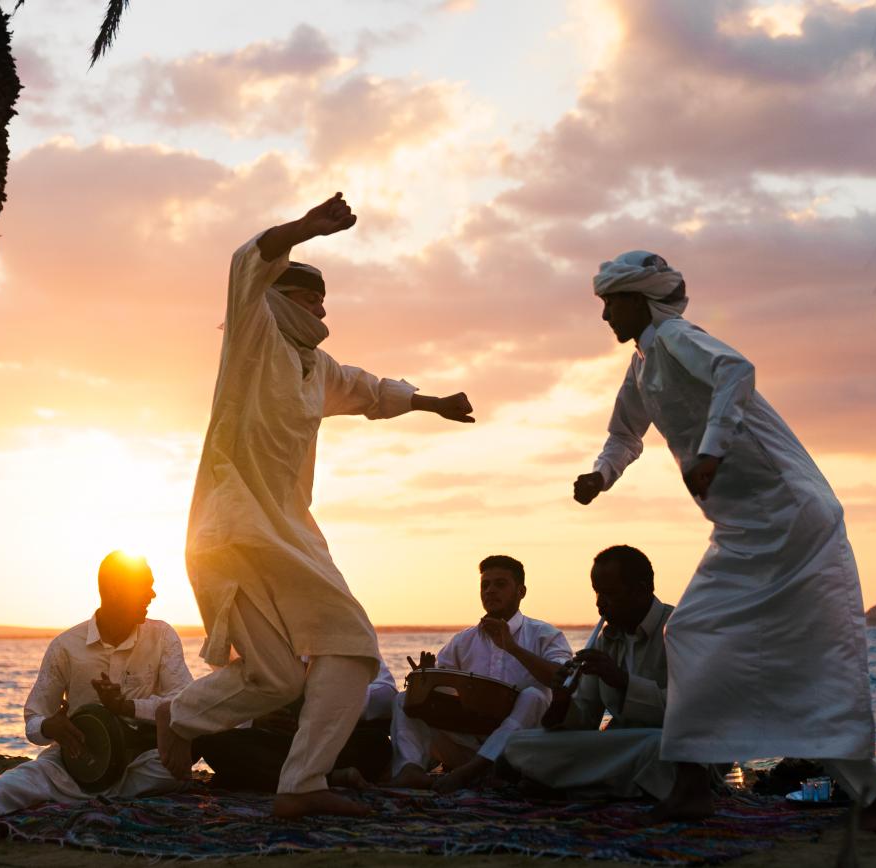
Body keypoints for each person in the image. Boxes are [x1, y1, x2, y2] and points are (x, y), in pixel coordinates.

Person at [158, 193, 476, 819]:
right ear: (281, 297)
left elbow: (371, 390)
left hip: (286, 532)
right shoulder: (254, 336)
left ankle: (179, 714)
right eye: (313, 297)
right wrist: (305, 229)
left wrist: (435, 403)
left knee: (278, 678)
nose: (324, 309)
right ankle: (302, 785)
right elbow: (249, 260)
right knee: (353, 642)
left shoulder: (317, 367)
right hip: (233, 526)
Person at [571, 251, 876, 832]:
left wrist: (712, 450)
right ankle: (695, 784)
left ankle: (867, 796)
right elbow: (624, 433)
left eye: (611, 303)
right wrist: (601, 476)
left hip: (794, 518)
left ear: (640, 301)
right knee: (695, 632)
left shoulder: (674, 336)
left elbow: (736, 371)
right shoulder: (644, 363)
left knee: (808, 653)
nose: (605, 316)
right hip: (744, 530)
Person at [0, 552, 192, 818]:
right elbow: (33, 718)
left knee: (169, 767)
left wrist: (128, 706)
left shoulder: (162, 636)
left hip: (143, 755)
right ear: (114, 590)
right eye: (145, 586)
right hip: (82, 758)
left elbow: (184, 700)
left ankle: (81, 792)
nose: (152, 595)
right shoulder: (65, 647)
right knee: (41, 771)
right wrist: (49, 726)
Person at [502, 545, 683, 799]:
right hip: (622, 747)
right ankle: (601, 786)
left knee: (656, 748)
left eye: (609, 594)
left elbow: (690, 714)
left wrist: (622, 681)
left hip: (670, 745)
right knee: (520, 743)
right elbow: (588, 720)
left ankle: (579, 785)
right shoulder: (606, 639)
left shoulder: (679, 631)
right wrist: (562, 700)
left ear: (641, 590)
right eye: (597, 593)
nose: (600, 604)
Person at [389, 555, 572, 793]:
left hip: (518, 749)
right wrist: (426, 678)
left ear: (521, 591)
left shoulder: (545, 635)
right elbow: (443, 691)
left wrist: (513, 649)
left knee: (534, 695)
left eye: (500, 584)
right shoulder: (463, 640)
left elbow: (564, 679)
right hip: (466, 745)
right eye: (485, 585)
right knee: (404, 699)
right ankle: (410, 769)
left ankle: (472, 772)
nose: (490, 591)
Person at [192, 659, 397, 791]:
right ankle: (330, 779)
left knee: (377, 745)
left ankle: (258, 778)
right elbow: (228, 698)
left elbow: (387, 697)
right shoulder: (260, 633)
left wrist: (326, 696)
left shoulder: (348, 627)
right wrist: (256, 715)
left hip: (330, 743)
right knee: (211, 742)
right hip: (275, 743)